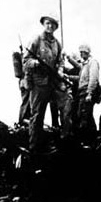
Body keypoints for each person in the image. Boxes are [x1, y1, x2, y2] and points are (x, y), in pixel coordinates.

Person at [23, 13, 73, 152]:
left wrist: (60, 70)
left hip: (53, 82)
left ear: (56, 27)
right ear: (44, 24)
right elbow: (25, 61)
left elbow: (60, 61)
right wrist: (36, 64)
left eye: (53, 24)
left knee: (66, 107)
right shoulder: (36, 40)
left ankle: (64, 141)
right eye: (47, 23)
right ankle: (34, 148)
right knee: (37, 115)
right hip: (39, 83)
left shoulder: (57, 43)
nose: (50, 26)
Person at [75, 44, 100, 141]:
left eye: (83, 52)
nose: (81, 54)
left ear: (87, 52)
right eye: (80, 52)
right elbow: (81, 79)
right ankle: (91, 139)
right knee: (85, 115)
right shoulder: (85, 64)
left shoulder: (92, 63)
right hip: (82, 93)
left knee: (85, 116)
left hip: (87, 93)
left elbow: (93, 78)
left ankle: (89, 140)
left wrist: (90, 93)